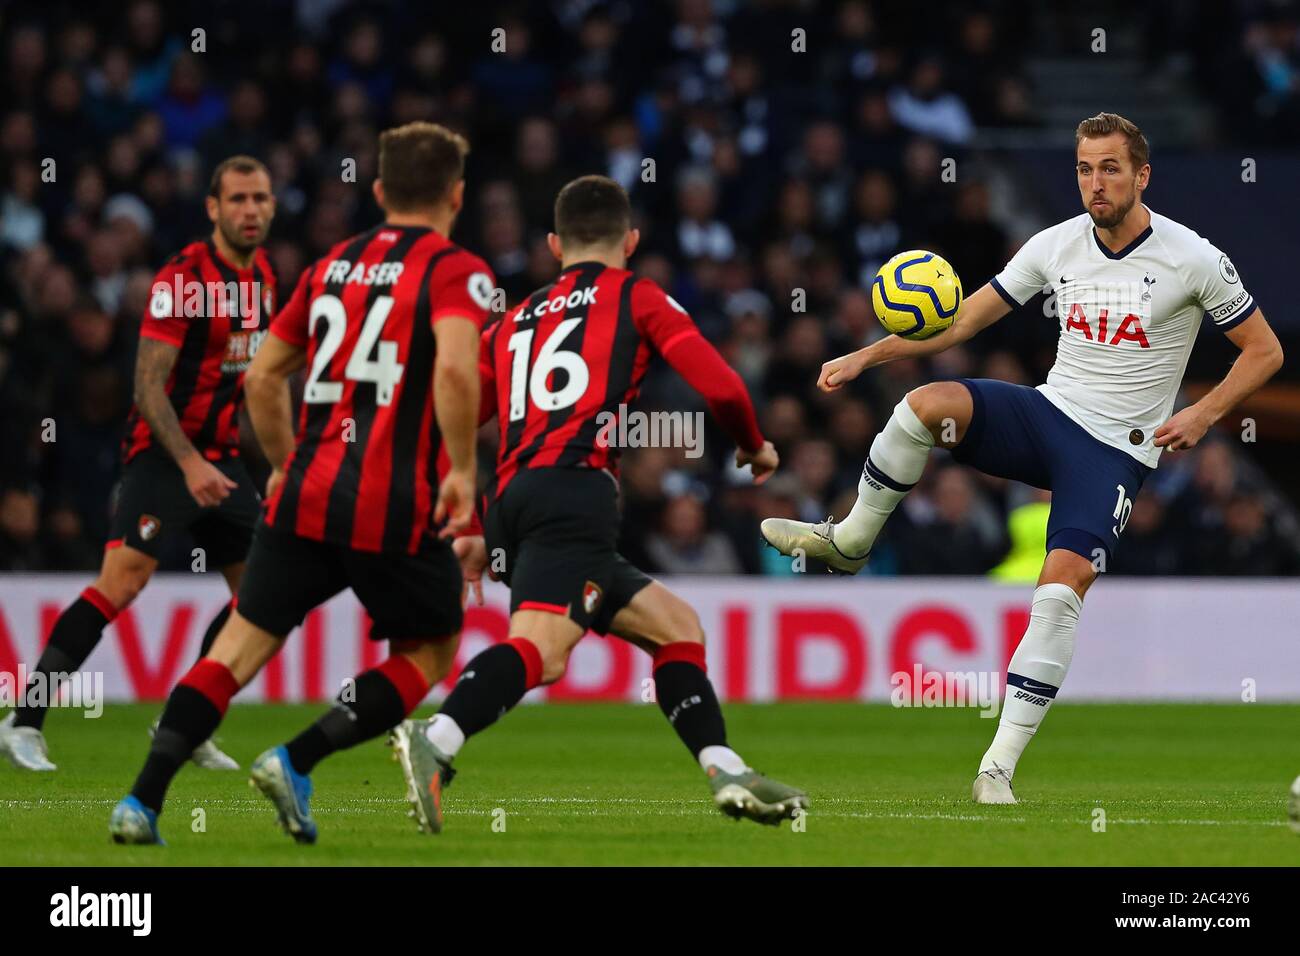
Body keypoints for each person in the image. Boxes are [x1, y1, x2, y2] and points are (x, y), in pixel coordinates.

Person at [761, 112, 1284, 804]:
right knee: (924, 407)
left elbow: (1266, 350)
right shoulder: (1055, 245)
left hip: (1112, 452)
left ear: (1141, 175)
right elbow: (962, 321)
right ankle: (852, 540)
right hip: (1048, 415)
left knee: (1059, 592)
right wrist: (867, 354)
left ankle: (996, 769)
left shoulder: (1192, 258)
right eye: (1084, 169)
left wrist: (1204, 411)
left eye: (1109, 169)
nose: (1094, 184)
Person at [108, 122, 493, 844]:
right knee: (432, 651)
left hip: (305, 494)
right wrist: (464, 474)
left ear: (378, 191)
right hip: (392, 505)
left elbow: (261, 377)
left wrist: (287, 465)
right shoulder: (455, 270)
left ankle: (141, 802)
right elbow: (452, 369)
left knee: (238, 650)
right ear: (457, 195)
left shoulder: (329, 266)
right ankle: (297, 756)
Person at [391, 175, 808, 832]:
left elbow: (449, 425)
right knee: (543, 651)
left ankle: (725, 767)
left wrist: (469, 524)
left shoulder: (510, 321)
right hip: (574, 492)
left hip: (514, 498)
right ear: (632, 240)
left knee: (676, 628)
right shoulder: (637, 296)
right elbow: (722, 386)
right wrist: (754, 448)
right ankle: (436, 738)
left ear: (555, 244)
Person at [0, 156, 279, 772]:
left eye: (260, 198)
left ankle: (188, 720)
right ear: (213, 208)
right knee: (122, 583)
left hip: (224, 458)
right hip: (162, 451)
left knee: (261, 594)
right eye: (237, 199)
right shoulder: (183, 279)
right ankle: (23, 721)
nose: (251, 210)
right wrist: (188, 464)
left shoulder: (263, 280)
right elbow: (147, 389)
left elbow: (259, 385)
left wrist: (281, 463)